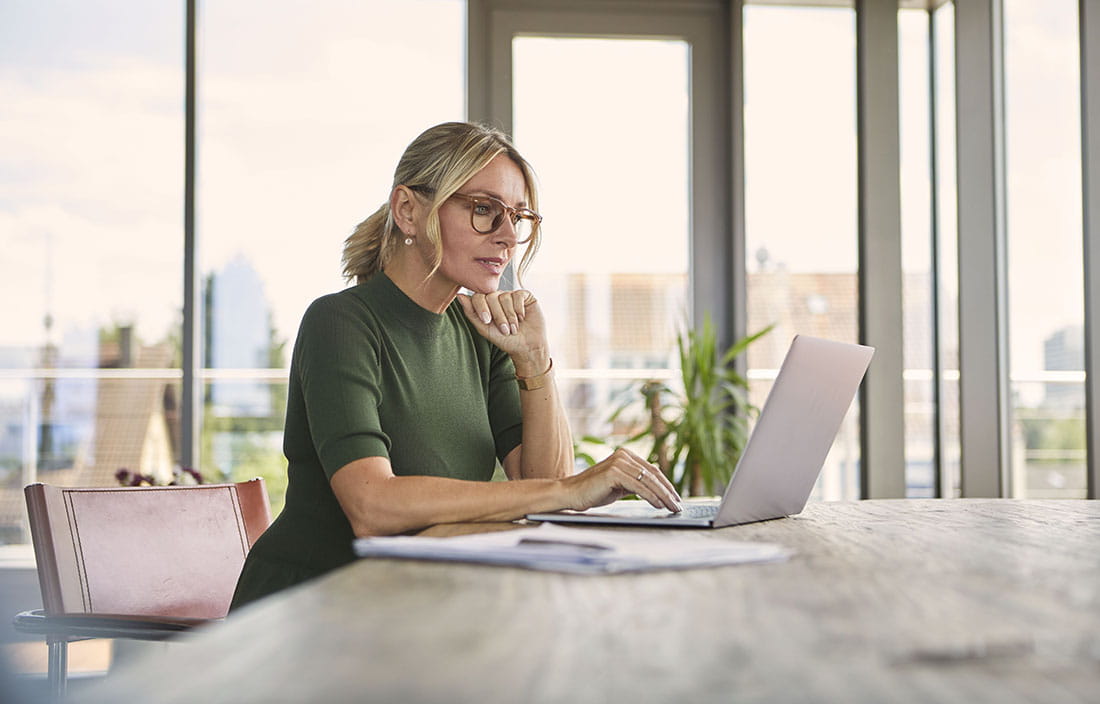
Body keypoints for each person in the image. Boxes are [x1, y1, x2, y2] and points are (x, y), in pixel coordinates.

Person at [230, 122, 682, 609]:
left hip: (423, 600)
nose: (509, 236)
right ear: (408, 210)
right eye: (484, 210)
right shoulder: (340, 322)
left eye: (518, 216)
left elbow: (540, 485)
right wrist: (570, 490)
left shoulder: (477, 330)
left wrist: (534, 361)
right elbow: (372, 505)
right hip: (313, 608)